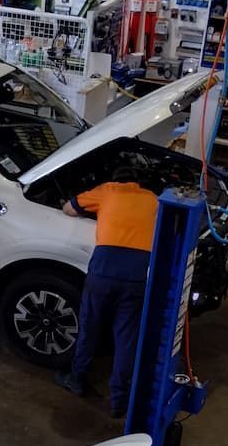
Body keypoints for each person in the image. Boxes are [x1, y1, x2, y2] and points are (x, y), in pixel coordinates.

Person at [55, 179, 159, 418]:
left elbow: (68, 209)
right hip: (137, 276)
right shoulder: (154, 199)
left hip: (104, 270)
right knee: (126, 338)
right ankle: (119, 401)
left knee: (89, 328)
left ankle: (77, 379)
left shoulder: (108, 190)